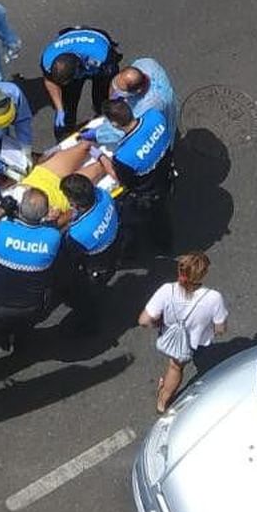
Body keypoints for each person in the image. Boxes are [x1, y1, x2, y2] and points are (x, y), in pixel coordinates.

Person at [0, 186, 62, 380]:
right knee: (24, 328)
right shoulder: (52, 238)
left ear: (20, 209)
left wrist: (1, 210)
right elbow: (49, 230)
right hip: (32, 305)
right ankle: (21, 349)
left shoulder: (2, 230)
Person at [139, 252, 228, 414]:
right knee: (176, 367)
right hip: (194, 343)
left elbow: (144, 320)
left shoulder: (167, 291)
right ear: (203, 274)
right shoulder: (214, 298)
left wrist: (159, 323)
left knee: (174, 365)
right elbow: (220, 329)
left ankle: (162, 398)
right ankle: (162, 402)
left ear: (180, 271)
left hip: (168, 337)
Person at [97, 98, 177, 259]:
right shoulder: (155, 117)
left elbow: (124, 181)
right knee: (162, 216)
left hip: (148, 194)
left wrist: (100, 157)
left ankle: (136, 251)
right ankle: (165, 245)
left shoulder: (124, 157)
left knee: (134, 221)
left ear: (114, 124)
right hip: (166, 176)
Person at [57, 174, 120, 334]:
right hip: (113, 248)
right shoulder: (103, 195)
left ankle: (88, 326)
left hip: (95, 267)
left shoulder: (79, 234)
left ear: (74, 202)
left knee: (85, 299)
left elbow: (67, 255)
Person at [40, 26, 121, 137]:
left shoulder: (102, 56)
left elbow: (113, 79)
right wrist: (59, 108)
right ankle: (65, 135)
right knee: (68, 104)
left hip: (97, 51)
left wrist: (112, 99)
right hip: (75, 50)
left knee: (102, 99)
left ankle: (103, 120)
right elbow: (50, 81)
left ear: (79, 69)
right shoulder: (47, 60)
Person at [110, 58, 177, 136]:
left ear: (138, 91)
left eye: (122, 92)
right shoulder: (146, 64)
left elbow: (134, 125)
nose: (117, 93)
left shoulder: (148, 105)